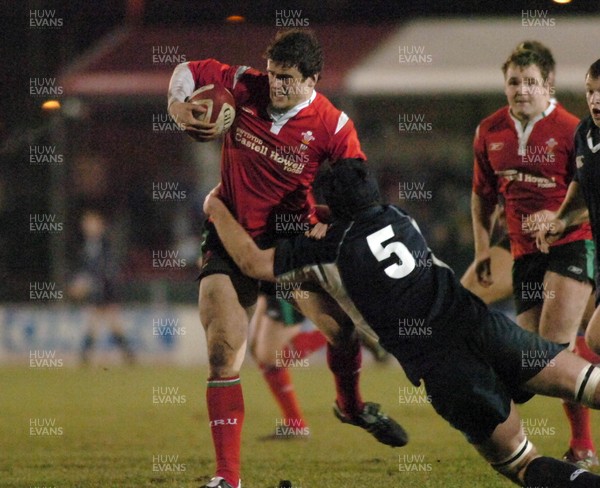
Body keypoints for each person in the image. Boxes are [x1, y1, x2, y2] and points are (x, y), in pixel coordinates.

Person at [204, 158, 600, 487]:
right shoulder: (398, 216)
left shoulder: (326, 246)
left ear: (330, 205)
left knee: (523, 463)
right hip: (484, 329)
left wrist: (216, 207)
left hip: (446, 371)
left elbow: (251, 262)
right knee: (591, 384)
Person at [167, 29, 406, 488]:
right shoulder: (243, 84)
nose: (275, 85)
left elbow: (360, 190)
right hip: (229, 233)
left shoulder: (333, 126)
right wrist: (178, 106)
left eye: (287, 79)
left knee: (340, 331)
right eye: (273, 74)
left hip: (289, 242)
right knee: (223, 350)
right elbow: (184, 71)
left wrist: (331, 224)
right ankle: (227, 478)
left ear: (312, 79)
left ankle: (351, 407)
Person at [470, 45, 597, 467]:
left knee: (552, 349)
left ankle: (582, 446)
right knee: (528, 364)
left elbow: (585, 192)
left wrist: (557, 217)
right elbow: (481, 195)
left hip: (573, 242)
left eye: (530, 82)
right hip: (524, 253)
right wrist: (483, 246)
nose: (521, 90)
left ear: (549, 86)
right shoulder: (489, 131)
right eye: (513, 81)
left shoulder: (571, 129)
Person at [536, 59, 600, 354]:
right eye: (590, 91)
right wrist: (562, 220)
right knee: (596, 339)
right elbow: (581, 182)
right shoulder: (584, 133)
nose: (595, 99)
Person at [68, 209, 134, 364]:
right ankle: (127, 356)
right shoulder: (85, 246)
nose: (88, 227)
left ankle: (86, 357)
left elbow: (108, 269)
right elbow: (84, 268)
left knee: (108, 322)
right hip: (98, 289)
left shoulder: (107, 243)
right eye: (86, 224)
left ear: (100, 225)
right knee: (100, 322)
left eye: (91, 223)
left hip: (107, 289)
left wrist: (87, 283)